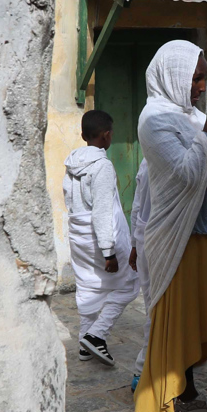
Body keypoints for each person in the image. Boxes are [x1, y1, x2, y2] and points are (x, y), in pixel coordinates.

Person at [132, 40, 207, 412]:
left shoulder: (190, 115)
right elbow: (186, 175)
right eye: (195, 77)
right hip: (175, 237)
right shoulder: (153, 120)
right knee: (171, 327)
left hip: (203, 232)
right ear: (173, 75)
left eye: (204, 77)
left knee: (196, 317)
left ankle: (188, 394)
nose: (200, 86)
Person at [62, 109, 136, 366]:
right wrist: (109, 251)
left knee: (88, 287)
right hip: (98, 238)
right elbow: (102, 211)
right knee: (129, 284)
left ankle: (84, 343)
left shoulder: (71, 163)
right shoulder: (102, 166)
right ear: (106, 136)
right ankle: (96, 335)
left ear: (83, 135)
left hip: (78, 236)